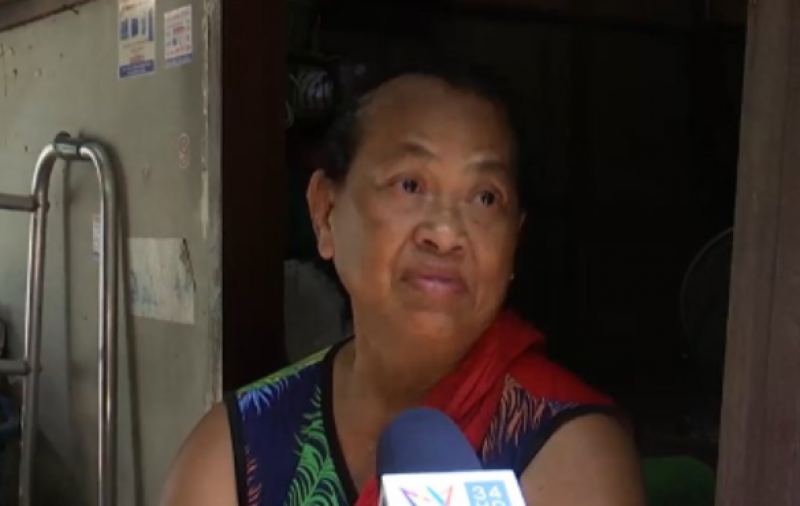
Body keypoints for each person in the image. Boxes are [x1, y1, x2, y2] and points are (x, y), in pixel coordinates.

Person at [159, 61, 647, 506]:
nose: (446, 233)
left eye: (485, 197)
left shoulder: (570, 449)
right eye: (410, 185)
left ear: (514, 241)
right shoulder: (239, 447)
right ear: (326, 213)